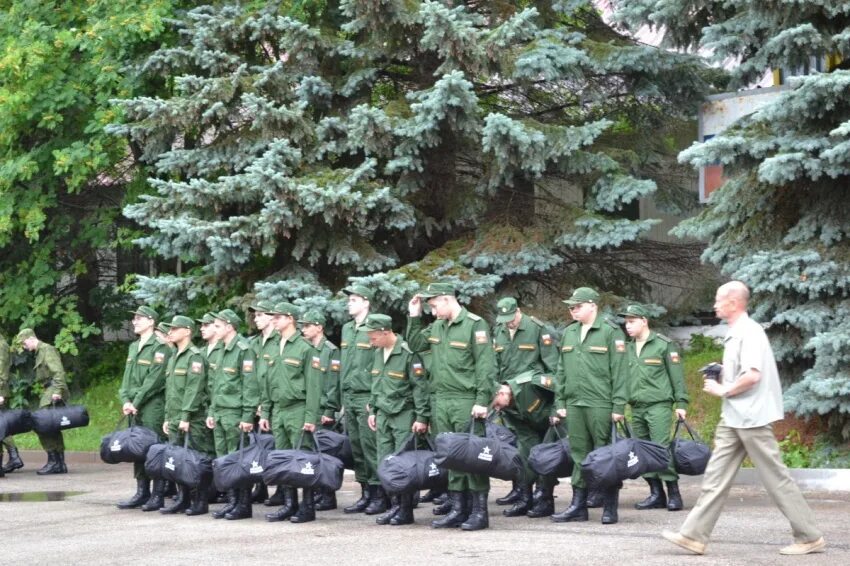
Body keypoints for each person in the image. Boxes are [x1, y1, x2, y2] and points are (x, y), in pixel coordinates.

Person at [662, 281, 825, 556]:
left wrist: (722, 388)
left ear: (734, 303)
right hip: (734, 417)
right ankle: (693, 536)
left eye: (718, 300)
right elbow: (742, 370)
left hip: (751, 418)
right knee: (715, 477)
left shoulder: (749, 332)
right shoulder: (737, 331)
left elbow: (752, 376)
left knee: (776, 478)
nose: (714, 305)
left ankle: (809, 537)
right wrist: (724, 371)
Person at [406, 282, 496, 531]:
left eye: (434, 306)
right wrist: (414, 316)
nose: (433, 312)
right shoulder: (437, 326)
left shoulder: (474, 325)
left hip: (466, 399)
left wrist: (481, 400)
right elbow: (415, 345)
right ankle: (458, 509)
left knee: (472, 456)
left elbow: (485, 365)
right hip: (441, 399)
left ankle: (479, 512)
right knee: (451, 456)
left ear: (447, 300)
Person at [549, 287, 627, 525]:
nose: (573, 310)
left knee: (605, 454)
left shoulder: (610, 332)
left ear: (593, 305)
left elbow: (621, 371)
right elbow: (561, 370)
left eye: (577, 306)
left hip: (600, 402)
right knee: (578, 454)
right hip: (575, 403)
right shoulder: (570, 333)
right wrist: (560, 401)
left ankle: (609, 505)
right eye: (571, 307)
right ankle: (578, 505)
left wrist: (618, 406)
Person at [492, 296, 560, 516]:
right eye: (504, 319)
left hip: (536, 403)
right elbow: (495, 366)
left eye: (511, 318)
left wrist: (557, 407)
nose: (508, 323)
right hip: (511, 404)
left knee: (543, 453)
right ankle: (525, 497)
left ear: (519, 311)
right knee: (524, 451)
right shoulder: (500, 331)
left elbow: (555, 373)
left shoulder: (540, 330)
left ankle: (545, 498)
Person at [258, 302, 322, 524]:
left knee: (302, 459)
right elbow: (268, 381)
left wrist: (310, 417)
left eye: (278, 317)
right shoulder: (274, 346)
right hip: (278, 409)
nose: (273, 320)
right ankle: (289, 504)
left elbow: (314, 386)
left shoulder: (305, 349)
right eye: (272, 317)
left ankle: (308, 506)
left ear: (290, 319)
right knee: (283, 460)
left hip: (298, 409)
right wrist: (265, 411)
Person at [620, 304, 688, 511]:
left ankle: (674, 493)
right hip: (636, 407)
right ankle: (656, 493)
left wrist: (681, 403)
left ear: (644, 320)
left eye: (631, 321)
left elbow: (676, 377)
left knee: (660, 448)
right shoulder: (627, 348)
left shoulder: (663, 345)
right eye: (626, 322)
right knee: (642, 450)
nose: (627, 326)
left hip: (658, 405)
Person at [364, 313, 429, 526]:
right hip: (383, 414)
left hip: (403, 414)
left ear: (385, 332)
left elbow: (420, 388)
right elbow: (376, 383)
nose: (370, 341)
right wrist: (372, 410)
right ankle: (394, 506)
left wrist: (421, 417)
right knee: (385, 461)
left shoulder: (408, 354)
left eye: (373, 337)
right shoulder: (377, 353)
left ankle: (405, 509)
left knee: (403, 464)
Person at [117, 306, 171, 510]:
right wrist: (125, 400)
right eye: (134, 319)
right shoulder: (134, 346)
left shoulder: (160, 347)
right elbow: (126, 378)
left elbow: (154, 380)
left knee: (154, 448)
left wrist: (136, 401)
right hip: (134, 406)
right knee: (137, 448)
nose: (134, 322)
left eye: (139, 319)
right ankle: (141, 491)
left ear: (151, 322)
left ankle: (158, 493)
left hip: (152, 406)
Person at [206, 309, 258, 520]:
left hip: (235, 413)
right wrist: (211, 410)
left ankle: (243, 504)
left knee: (238, 460)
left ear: (230, 327)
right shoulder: (219, 349)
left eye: (218, 326)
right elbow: (214, 384)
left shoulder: (243, 349)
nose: (214, 329)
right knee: (224, 460)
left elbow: (250, 385)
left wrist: (247, 416)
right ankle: (231, 501)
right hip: (219, 412)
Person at [161, 315, 214, 516]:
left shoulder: (195, 356)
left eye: (175, 329)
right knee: (179, 458)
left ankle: (200, 500)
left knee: (196, 458)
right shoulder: (174, 356)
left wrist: (185, 416)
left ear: (187, 331)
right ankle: (183, 498)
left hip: (191, 417)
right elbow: (171, 390)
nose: (170, 332)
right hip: (174, 416)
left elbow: (195, 389)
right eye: (169, 329)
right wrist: (168, 416)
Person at [491, 368, 561, 518]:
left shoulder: (530, 383)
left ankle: (545, 501)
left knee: (546, 458)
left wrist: (556, 411)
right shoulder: (507, 406)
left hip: (557, 423)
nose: (497, 408)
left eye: (496, 403)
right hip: (533, 428)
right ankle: (525, 499)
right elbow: (524, 434)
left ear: (502, 393)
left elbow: (561, 387)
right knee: (524, 457)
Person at [338, 285, 382, 515]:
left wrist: (374, 399)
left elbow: (378, 365)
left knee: (370, 445)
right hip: (350, 394)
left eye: (354, 300)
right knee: (356, 447)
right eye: (349, 300)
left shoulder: (373, 328)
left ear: (366, 302)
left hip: (366, 395)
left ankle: (378, 493)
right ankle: (365, 492)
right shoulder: (347, 329)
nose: (349, 304)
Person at [299, 309, 341, 511]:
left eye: (307, 325)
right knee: (311, 452)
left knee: (325, 453)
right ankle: (316, 491)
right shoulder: (307, 349)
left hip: (323, 409)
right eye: (302, 326)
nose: (303, 329)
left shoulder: (330, 350)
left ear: (319, 327)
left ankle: (328, 495)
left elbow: (333, 383)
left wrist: (330, 410)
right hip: (310, 407)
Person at [18, 328, 71, 475]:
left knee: (42, 425)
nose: (24, 347)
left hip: (53, 389)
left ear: (30, 338)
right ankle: (59, 463)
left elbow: (58, 371)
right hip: (49, 389)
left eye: (24, 343)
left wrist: (57, 391)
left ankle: (54, 462)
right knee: (52, 427)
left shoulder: (47, 350)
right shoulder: (40, 352)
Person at [247, 300, 280, 505]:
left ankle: (282, 489)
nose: (256, 319)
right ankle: (260, 487)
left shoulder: (279, 342)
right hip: (257, 401)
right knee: (258, 447)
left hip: (275, 402)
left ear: (270, 317)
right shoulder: (253, 343)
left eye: (260, 315)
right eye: (255, 315)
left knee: (278, 447)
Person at [1, 331, 24, 475]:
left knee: (1, 425)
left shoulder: (1, 345)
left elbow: (1, 371)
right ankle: (14, 457)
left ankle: (14, 457)